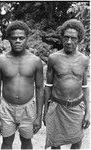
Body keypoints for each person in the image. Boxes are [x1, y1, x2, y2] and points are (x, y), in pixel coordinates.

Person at [0, 20, 44, 149]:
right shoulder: (1, 61)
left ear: (27, 38)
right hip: (6, 108)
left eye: (21, 38)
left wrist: (38, 117)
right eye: (14, 38)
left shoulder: (35, 61)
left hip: (28, 108)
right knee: (6, 142)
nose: (18, 41)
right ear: (9, 39)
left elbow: (40, 89)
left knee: (26, 142)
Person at [43, 19, 90, 149]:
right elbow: (48, 87)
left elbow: (85, 88)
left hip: (76, 107)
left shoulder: (84, 60)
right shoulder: (54, 58)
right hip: (57, 107)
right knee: (55, 143)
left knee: (77, 140)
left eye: (73, 38)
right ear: (62, 37)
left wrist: (87, 112)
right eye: (66, 37)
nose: (69, 41)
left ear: (79, 39)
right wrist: (45, 111)